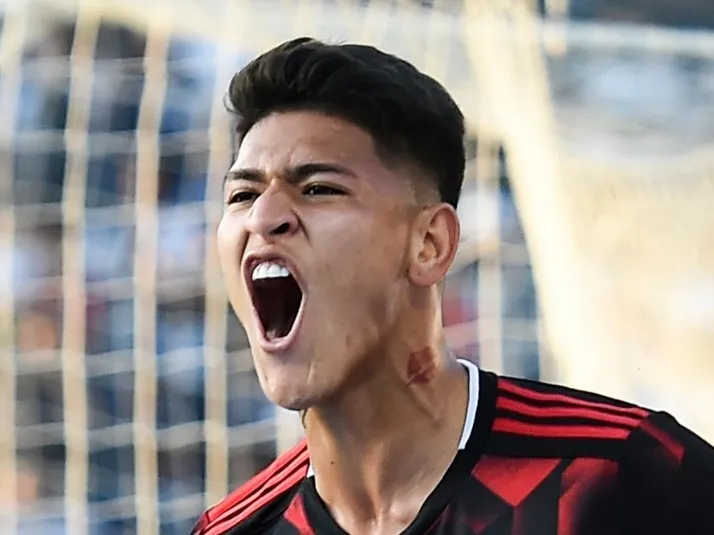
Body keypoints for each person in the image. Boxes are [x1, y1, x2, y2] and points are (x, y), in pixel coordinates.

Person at [193, 37, 714, 535]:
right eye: (242, 195)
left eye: (318, 188)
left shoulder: (620, 476)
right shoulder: (234, 528)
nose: (263, 217)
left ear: (430, 244)